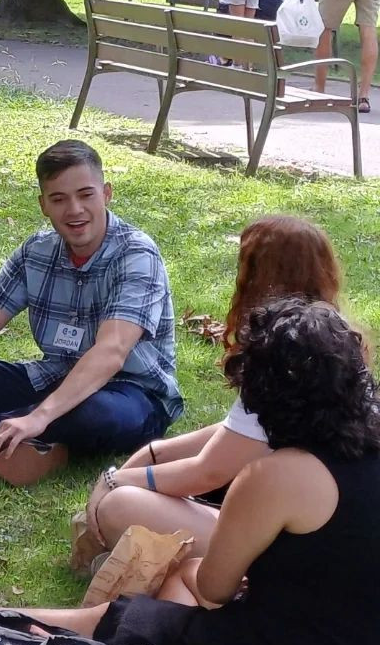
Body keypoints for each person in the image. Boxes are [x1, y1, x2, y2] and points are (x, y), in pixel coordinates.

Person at [0, 298, 380, 645]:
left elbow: (213, 588)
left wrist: (192, 579)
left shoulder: (275, 476)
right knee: (171, 593)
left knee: (134, 618)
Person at [0, 140, 182, 486]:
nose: (74, 210)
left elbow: (112, 352)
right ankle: (14, 442)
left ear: (107, 194)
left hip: (132, 391)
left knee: (97, 415)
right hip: (54, 378)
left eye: (86, 195)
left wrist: (39, 416)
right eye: (59, 199)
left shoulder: (137, 254)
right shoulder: (35, 252)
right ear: (43, 206)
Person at [84, 216, 343, 557]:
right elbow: (243, 434)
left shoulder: (282, 350)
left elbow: (208, 472)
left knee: (119, 505)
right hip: (326, 519)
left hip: (296, 543)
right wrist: (154, 453)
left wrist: (114, 480)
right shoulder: (336, 335)